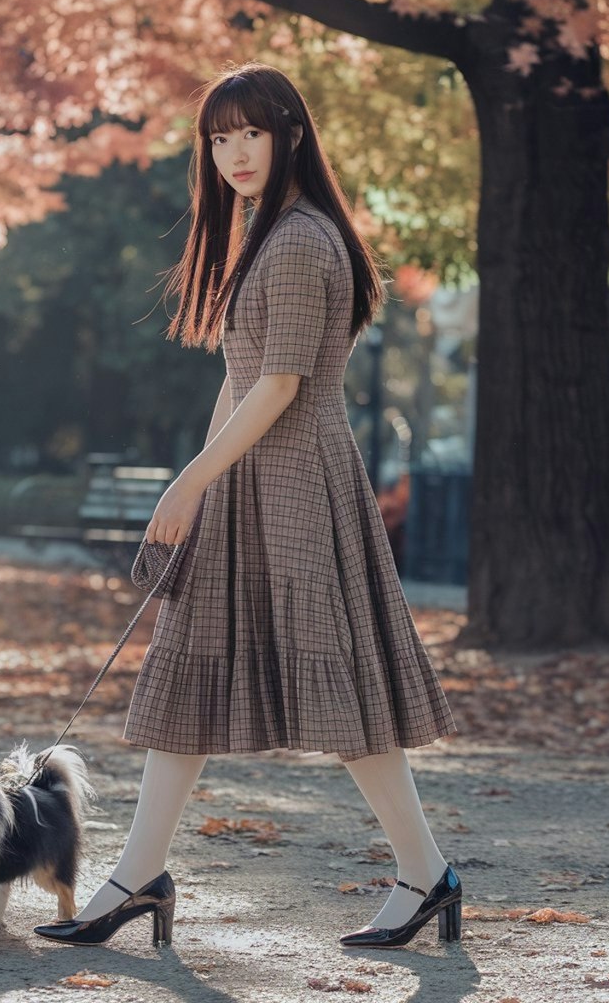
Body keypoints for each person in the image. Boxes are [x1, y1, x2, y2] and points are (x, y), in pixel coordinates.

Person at [34, 62, 461, 951]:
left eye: (250, 133)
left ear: (291, 134)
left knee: (341, 687)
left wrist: (193, 478)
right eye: (218, 138)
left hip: (300, 484)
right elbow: (238, 382)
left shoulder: (303, 241)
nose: (232, 153)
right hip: (246, 486)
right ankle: (138, 876)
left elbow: (281, 385)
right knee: (188, 675)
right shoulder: (257, 236)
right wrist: (197, 479)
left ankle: (425, 873)